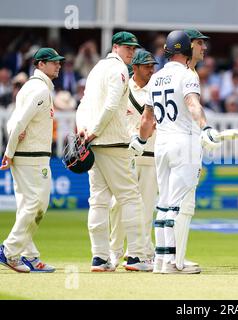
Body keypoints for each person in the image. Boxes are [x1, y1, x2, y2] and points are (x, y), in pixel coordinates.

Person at [129, 30, 221, 274]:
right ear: (185, 49)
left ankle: (161, 260)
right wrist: (206, 127)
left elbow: (147, 119)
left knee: (164, 203)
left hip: (161, 145)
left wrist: (140, 140)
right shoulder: (187, 75)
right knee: (177, 205)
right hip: (184, 143)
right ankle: (173, 262)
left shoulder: (156, 78)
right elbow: (192, 104)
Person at [76, 31, 153, 272]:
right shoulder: (119, 70)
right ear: (116, 47)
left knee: (98, 201)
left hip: (94, 144)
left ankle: (100, 257)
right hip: (113, 142)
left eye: (133, 48)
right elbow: (109, 105)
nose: (131, 52)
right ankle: (137, 257)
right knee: (130, 198)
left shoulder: (96, 69)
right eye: (127, 48)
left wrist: (83, 131)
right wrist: (93, 132)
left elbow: (83, 104)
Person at [0, 48, 65, 273]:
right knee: (35, 206)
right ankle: (9, 251)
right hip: (31, 158)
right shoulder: (39, 91)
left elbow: (13, 121)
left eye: (59, 62)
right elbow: (17, 123)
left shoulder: (30, 87)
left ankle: (29, 255)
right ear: (40, 65)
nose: (58, 65)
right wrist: (8, 152)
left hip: (29, 156)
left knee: (29, 206)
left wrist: (12, 149)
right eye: (53, 62)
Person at [109, 49, 158, 269]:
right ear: (135, 67)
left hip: (151, 155)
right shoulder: (123, 86)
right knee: (117, 206)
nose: (151, 70)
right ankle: (114, 251)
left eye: (152, 66)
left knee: (146, 208)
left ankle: (139, 253)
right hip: (125, 156)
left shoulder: (157, 89)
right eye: (147, 66)